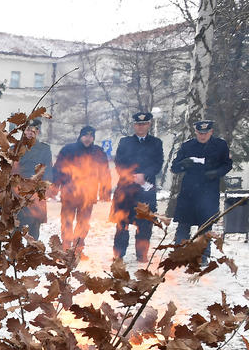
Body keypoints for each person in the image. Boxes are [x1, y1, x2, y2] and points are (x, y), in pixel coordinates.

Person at [170, 120, 233, 263]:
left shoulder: (220, 146)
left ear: (211, 132)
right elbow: (174, 167)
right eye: (200, 133)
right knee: (183, 226)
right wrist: (182, 164)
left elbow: (227, 165)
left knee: (205, 227)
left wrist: (216, 173)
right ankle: (180, 255)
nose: (202, 136)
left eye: (205, 133)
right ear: (195, 132)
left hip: (208, 192)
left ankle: (202, 257)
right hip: (189, 192)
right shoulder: (187, 146)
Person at [111, 111, 163, 261]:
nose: (141, 127)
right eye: (138, 124)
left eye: (144, 124)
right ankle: (119, 254)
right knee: (122, 223)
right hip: (126, 189)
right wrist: (130, 176)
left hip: (145, 190)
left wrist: (144, 175)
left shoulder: (156, 143)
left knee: (145, 224)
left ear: (149, 124)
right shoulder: (125, 142)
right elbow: (119, 163)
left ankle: (142, 255)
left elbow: (158, 164)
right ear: (134, 125)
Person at [51, 125, 111, 253]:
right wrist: (54, 187)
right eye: (85, 135)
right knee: (67, 221)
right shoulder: (68, 150)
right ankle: (66, 247)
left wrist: (105, 191)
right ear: (80, 136)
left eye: (91, 136)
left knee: (83, 223)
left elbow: (104, 173)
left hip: (88, 194)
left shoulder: (98, 152)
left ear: (93, 138)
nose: (88, 139)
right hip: (69, 193)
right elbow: (58, 169)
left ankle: (78, 249)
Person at [14, 118, 52, 240]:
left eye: (33, 130)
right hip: (18, 192)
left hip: (36, 191)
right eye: (27, 130)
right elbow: (9, 170)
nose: (30, 133)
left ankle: (32, 255)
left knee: (34, 226)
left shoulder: (44, 149)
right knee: (16, 226)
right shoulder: (15, 148)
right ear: (23, 131)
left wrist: (44, 188)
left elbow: (48, 169)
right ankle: (13, 256)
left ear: (38, 132)